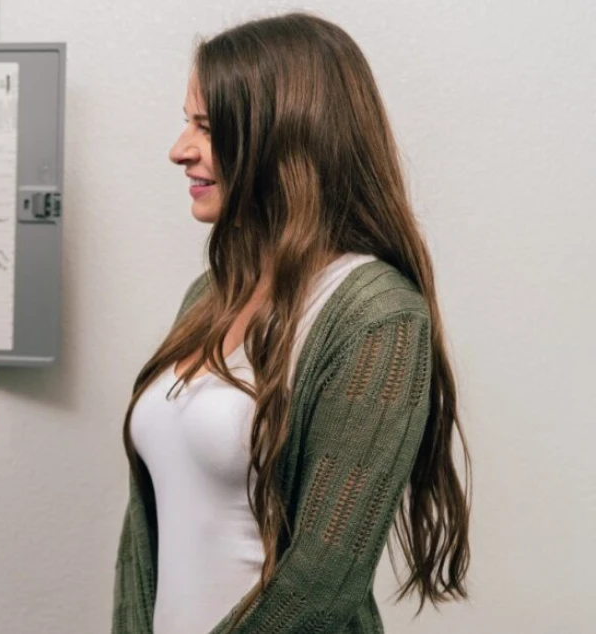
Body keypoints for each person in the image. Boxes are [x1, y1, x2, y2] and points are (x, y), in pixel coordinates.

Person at [112, 13, 471, 633]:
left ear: (281, 134)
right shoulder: (212, 294)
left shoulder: (376, 317)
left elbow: (324, 582)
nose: (180, 149)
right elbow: (146, 534)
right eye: (187, 122)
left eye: (207, 125)